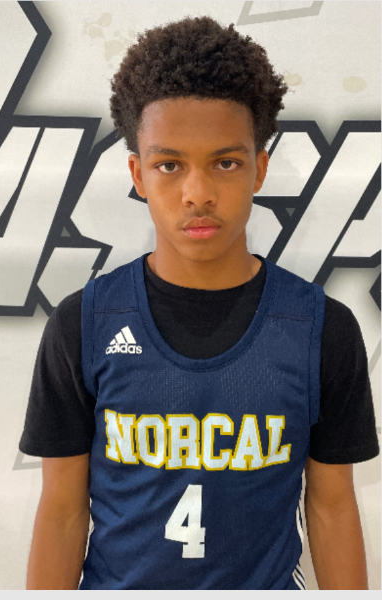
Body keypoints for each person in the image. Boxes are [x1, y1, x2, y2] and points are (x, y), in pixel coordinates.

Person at [19, 16, 379, 590]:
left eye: (225, 162)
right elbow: (62, 510)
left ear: (260, 168)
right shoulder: (82, 324)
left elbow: (332, 505)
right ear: (138, 174)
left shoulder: (321, 328)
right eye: (169, 165)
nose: (198, 193)